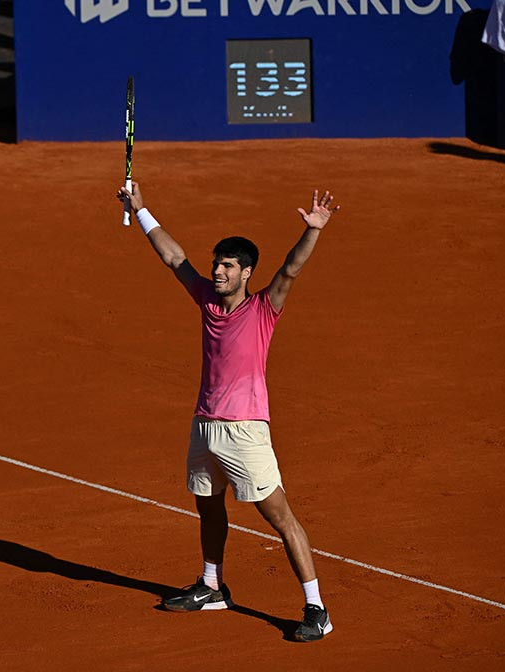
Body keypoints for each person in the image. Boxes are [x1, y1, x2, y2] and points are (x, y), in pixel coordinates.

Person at [115, 180, 340, 642]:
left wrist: (313, 230)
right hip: (204, 427)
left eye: (227, 265)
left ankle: (316, 607)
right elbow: (175, 258)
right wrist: (142, 211)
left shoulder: (263, 308)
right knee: (209, 510)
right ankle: (213, 586)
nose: (217, 270)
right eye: (217, 262)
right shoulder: (206, 302)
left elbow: (290, 270)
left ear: (246, 273)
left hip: (245, 433)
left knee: (279, 516)